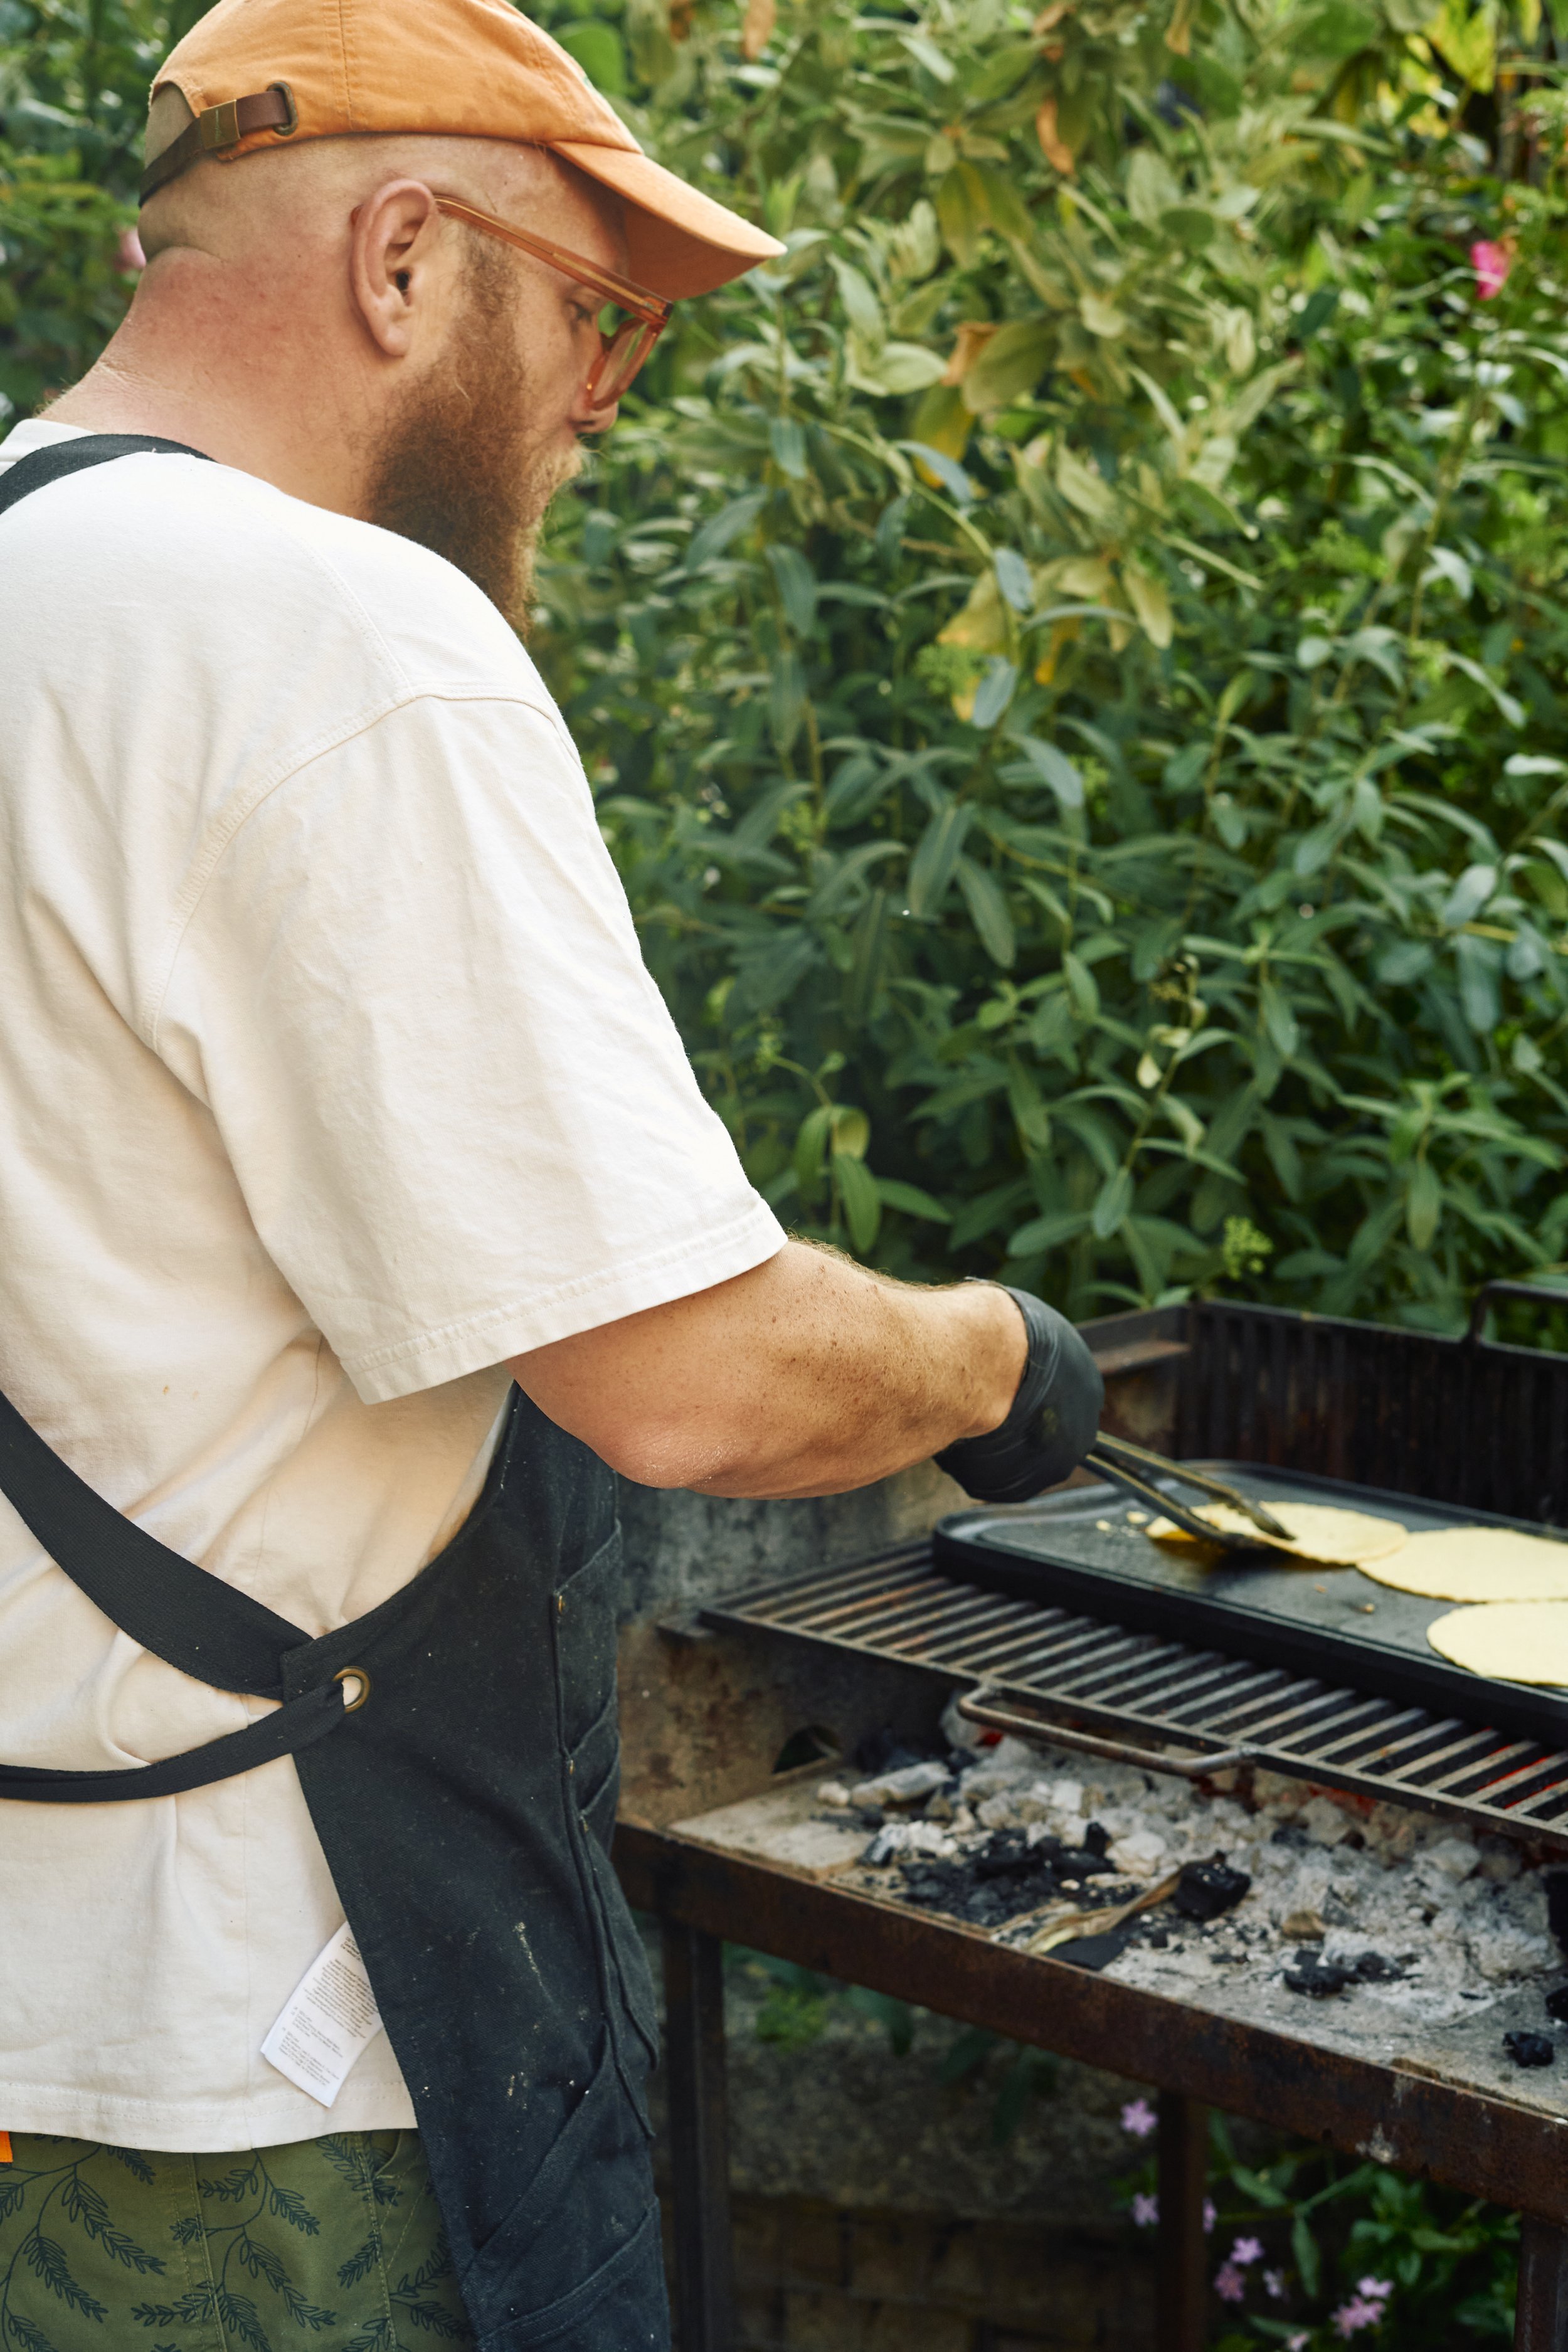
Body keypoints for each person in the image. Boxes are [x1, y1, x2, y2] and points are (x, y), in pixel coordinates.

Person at [0, 1, 1104, 2344]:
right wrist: (994, 1355)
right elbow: (685, 1383)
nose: (605, 395)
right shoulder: (326, 634)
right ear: (405, 256)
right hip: (264, 2054)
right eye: (593, 311)